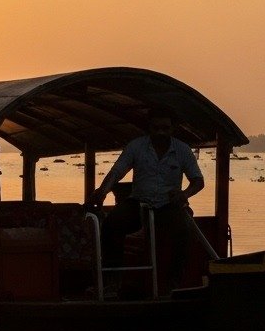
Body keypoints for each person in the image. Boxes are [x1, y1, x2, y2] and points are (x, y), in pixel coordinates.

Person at [88, 105, 205, 294]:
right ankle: (112, 281)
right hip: (138, 203)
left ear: (172, 128)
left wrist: (184, 194)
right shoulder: (136, 146)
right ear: (149, 128)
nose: (160, 132)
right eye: (156, 128)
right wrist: (103, 190)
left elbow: (198, 181)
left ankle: (173, 283)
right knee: (111, 224)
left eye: (165, 128)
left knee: (185, 231)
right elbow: (117, 171)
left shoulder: (182, 150)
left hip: (168, 205)